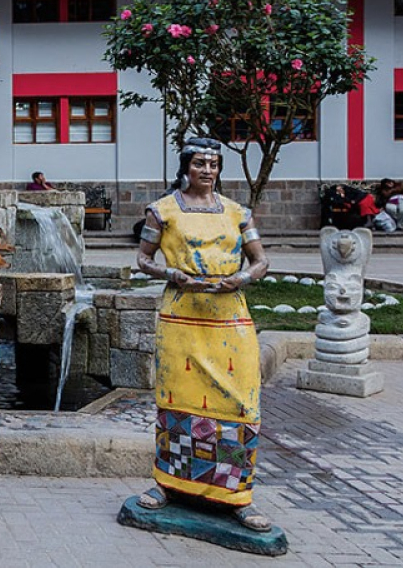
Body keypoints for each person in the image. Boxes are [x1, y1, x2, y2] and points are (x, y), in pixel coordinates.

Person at [132, 137, 272, 532]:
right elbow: (142, 259)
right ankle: (169, 484)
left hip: (230, 317)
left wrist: (241, 278)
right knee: (177, 400)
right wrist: (171, 273)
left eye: (213, 164)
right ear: (186, 167)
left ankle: (237, 495)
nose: (207, 170)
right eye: (199, 163)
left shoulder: (237, 213)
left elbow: (261, 261)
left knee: (240, 403)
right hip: (182, 318)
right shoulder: (162, 211)